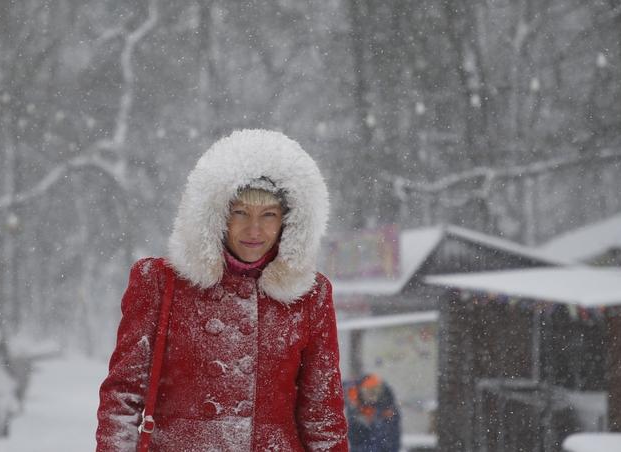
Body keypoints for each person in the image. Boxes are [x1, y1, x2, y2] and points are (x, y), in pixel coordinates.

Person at [96, 129, 348, 451]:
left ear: (289, 221)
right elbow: (123, 398)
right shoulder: (161, 282)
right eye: (240, 212)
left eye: (269, 215)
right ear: (216, 215)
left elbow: (322, 416)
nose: (254, 229)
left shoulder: (309, 296)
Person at [345, 374, 401, 452]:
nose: (371, 395)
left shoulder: (389, 410)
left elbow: (392, 440)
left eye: (374, 391)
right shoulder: (353, 406)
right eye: (368, 391)